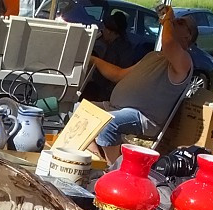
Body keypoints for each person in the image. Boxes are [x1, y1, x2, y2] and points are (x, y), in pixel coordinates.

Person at [89, 5, 197, 163]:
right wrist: (94, 60)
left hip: (142, 117)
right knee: (79, 112)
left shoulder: (184, 61)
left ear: (188, 36)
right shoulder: (154, 56)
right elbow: (118, 75)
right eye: (176, 20)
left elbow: (168, 43)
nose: (175, 22)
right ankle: (96, 160)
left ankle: (115, 171)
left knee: (109, 123)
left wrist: (168, 18)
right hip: (117, 108)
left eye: (180, 22)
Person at [83, 10, 136, 102]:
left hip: (107, 93)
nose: (103, 31)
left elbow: (105, 77)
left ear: (111, 32)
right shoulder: (122, 45)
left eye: (105, 29)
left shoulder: (117, 49)